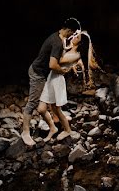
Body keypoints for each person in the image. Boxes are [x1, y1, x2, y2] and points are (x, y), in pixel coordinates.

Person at [20, 18, 80, 147]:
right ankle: (25, 133)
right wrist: (62, 71)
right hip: (39, 74)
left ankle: (53, 128)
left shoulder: (57, 37)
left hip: (42, 74)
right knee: (32, 103)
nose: (72, 35)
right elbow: (53, 65)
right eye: (73, 33)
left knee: (42, 108)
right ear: (69, 30)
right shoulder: (57, 43)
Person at [37, 32, 85, 140]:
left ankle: (67, 130)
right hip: (51, 78)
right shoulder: (68, 49)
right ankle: (53, 128)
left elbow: (58, 61)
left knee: (56, 109)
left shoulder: (75, 54)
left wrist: (60, 45)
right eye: (74, 34)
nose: (73, 37)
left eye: (77, 36)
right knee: (41, 109)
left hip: (58, 81)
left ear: (81, 42)